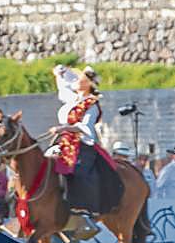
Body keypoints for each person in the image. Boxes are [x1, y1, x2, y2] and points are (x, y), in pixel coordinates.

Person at [48, 64, 122, 219]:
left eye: (82, 78)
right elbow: (64, 86)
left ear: (89, 84)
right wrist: (59, 73)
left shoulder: (91, 104)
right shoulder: (74, 99)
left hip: (82, 143)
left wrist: (63, 129)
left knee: (80, 171)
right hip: (65, 142)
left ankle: (83, 208)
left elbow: (84, 128)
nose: (78, 79)